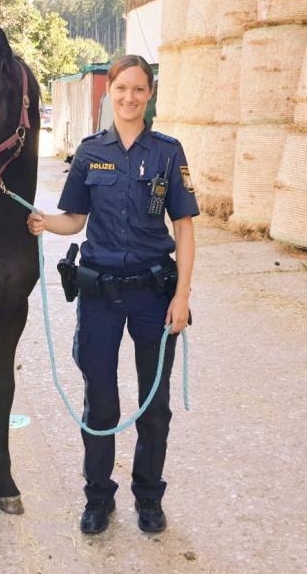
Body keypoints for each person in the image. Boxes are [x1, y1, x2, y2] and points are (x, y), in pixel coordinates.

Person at [27, 55, 199, 535]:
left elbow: (183, 230)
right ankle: (98, 496)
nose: (129, 98)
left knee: (154, 404)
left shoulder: (168, 152)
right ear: (110, 93)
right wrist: (45, 223)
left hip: (154, 294)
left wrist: (181, 296)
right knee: (100, 402)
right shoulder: (88, 152)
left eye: (139, 90)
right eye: (121, 89)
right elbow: (74, 220)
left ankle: (148, 496)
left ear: (150, 93)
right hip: (99, 293)